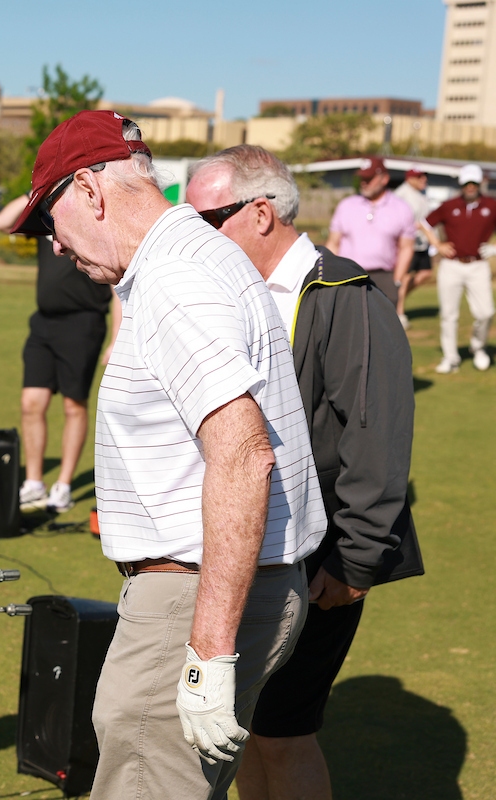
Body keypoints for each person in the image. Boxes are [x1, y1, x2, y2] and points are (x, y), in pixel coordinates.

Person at [10, 110, 326, 799]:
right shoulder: (183, 260)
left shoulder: (177, 277)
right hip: (213, 586)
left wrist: (207, 654)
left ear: (91, 191)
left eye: (48, 220)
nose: (54, 246)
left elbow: (243, 456)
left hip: (191, 596)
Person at [187, 145, 415, 800]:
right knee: (249, 724)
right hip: (245, 550)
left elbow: (376, 434)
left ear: (261, 213)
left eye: (208, 219)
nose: (195, 237)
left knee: (283, 731)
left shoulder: (344, 291)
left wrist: (356, 561)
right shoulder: (232, 291)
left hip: (321, 559)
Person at [0, 194, 114, 514]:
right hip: (43, 323)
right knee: (31, 403)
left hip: (83, 323)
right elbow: (1, 223)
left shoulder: (94, 222)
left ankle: (63, 486)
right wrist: (36, 192)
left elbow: (116, 290)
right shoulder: (46, 219)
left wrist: (116, 338)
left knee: (74, 406)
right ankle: (34, 483)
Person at [420, 163, 496, 373]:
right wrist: (438, 245)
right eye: (466, 183)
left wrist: (494, 249)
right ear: (461, 184)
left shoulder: (491, 205)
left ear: (480, 183)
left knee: (486, 312)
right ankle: (451, 358)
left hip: (478, 265)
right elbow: (425, 224)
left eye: (473, 183)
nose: (470, 187)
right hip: (451, 266)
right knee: (449, 315)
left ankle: (478, 347)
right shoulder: (449, 205)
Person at [325, 157, 415, 306]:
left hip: (384, 277)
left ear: (384, 179)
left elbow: (406, 247)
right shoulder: (346, 205)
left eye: (370, 178)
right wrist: (330, 273)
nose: (364, 183)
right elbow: (333, 243)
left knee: (383, 327)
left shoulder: (401, 208)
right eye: (362, 178)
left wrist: (397, 280)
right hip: (347, 275)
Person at [393, 168, 437, 327]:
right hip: (407, 243)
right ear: (410, 178)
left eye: (424, 176)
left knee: (425, 273)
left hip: (422, 243)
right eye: (419, 176)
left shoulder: (422, 194)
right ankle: (398, 312)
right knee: (403, 278)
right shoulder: (401, 195)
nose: (423, 179)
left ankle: (393, 299)